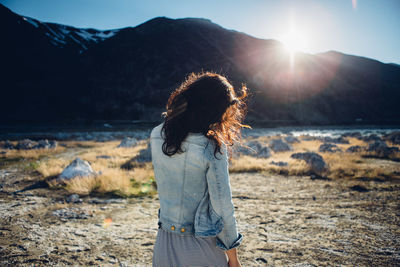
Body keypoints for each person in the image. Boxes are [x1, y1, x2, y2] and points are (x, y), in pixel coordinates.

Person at [150, 72, 249, 267]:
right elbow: (223, 207)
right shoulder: (210, 146)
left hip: (163, 244)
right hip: (200, 247)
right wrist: (234, 259)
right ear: (214, 109)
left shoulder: (157, 135)